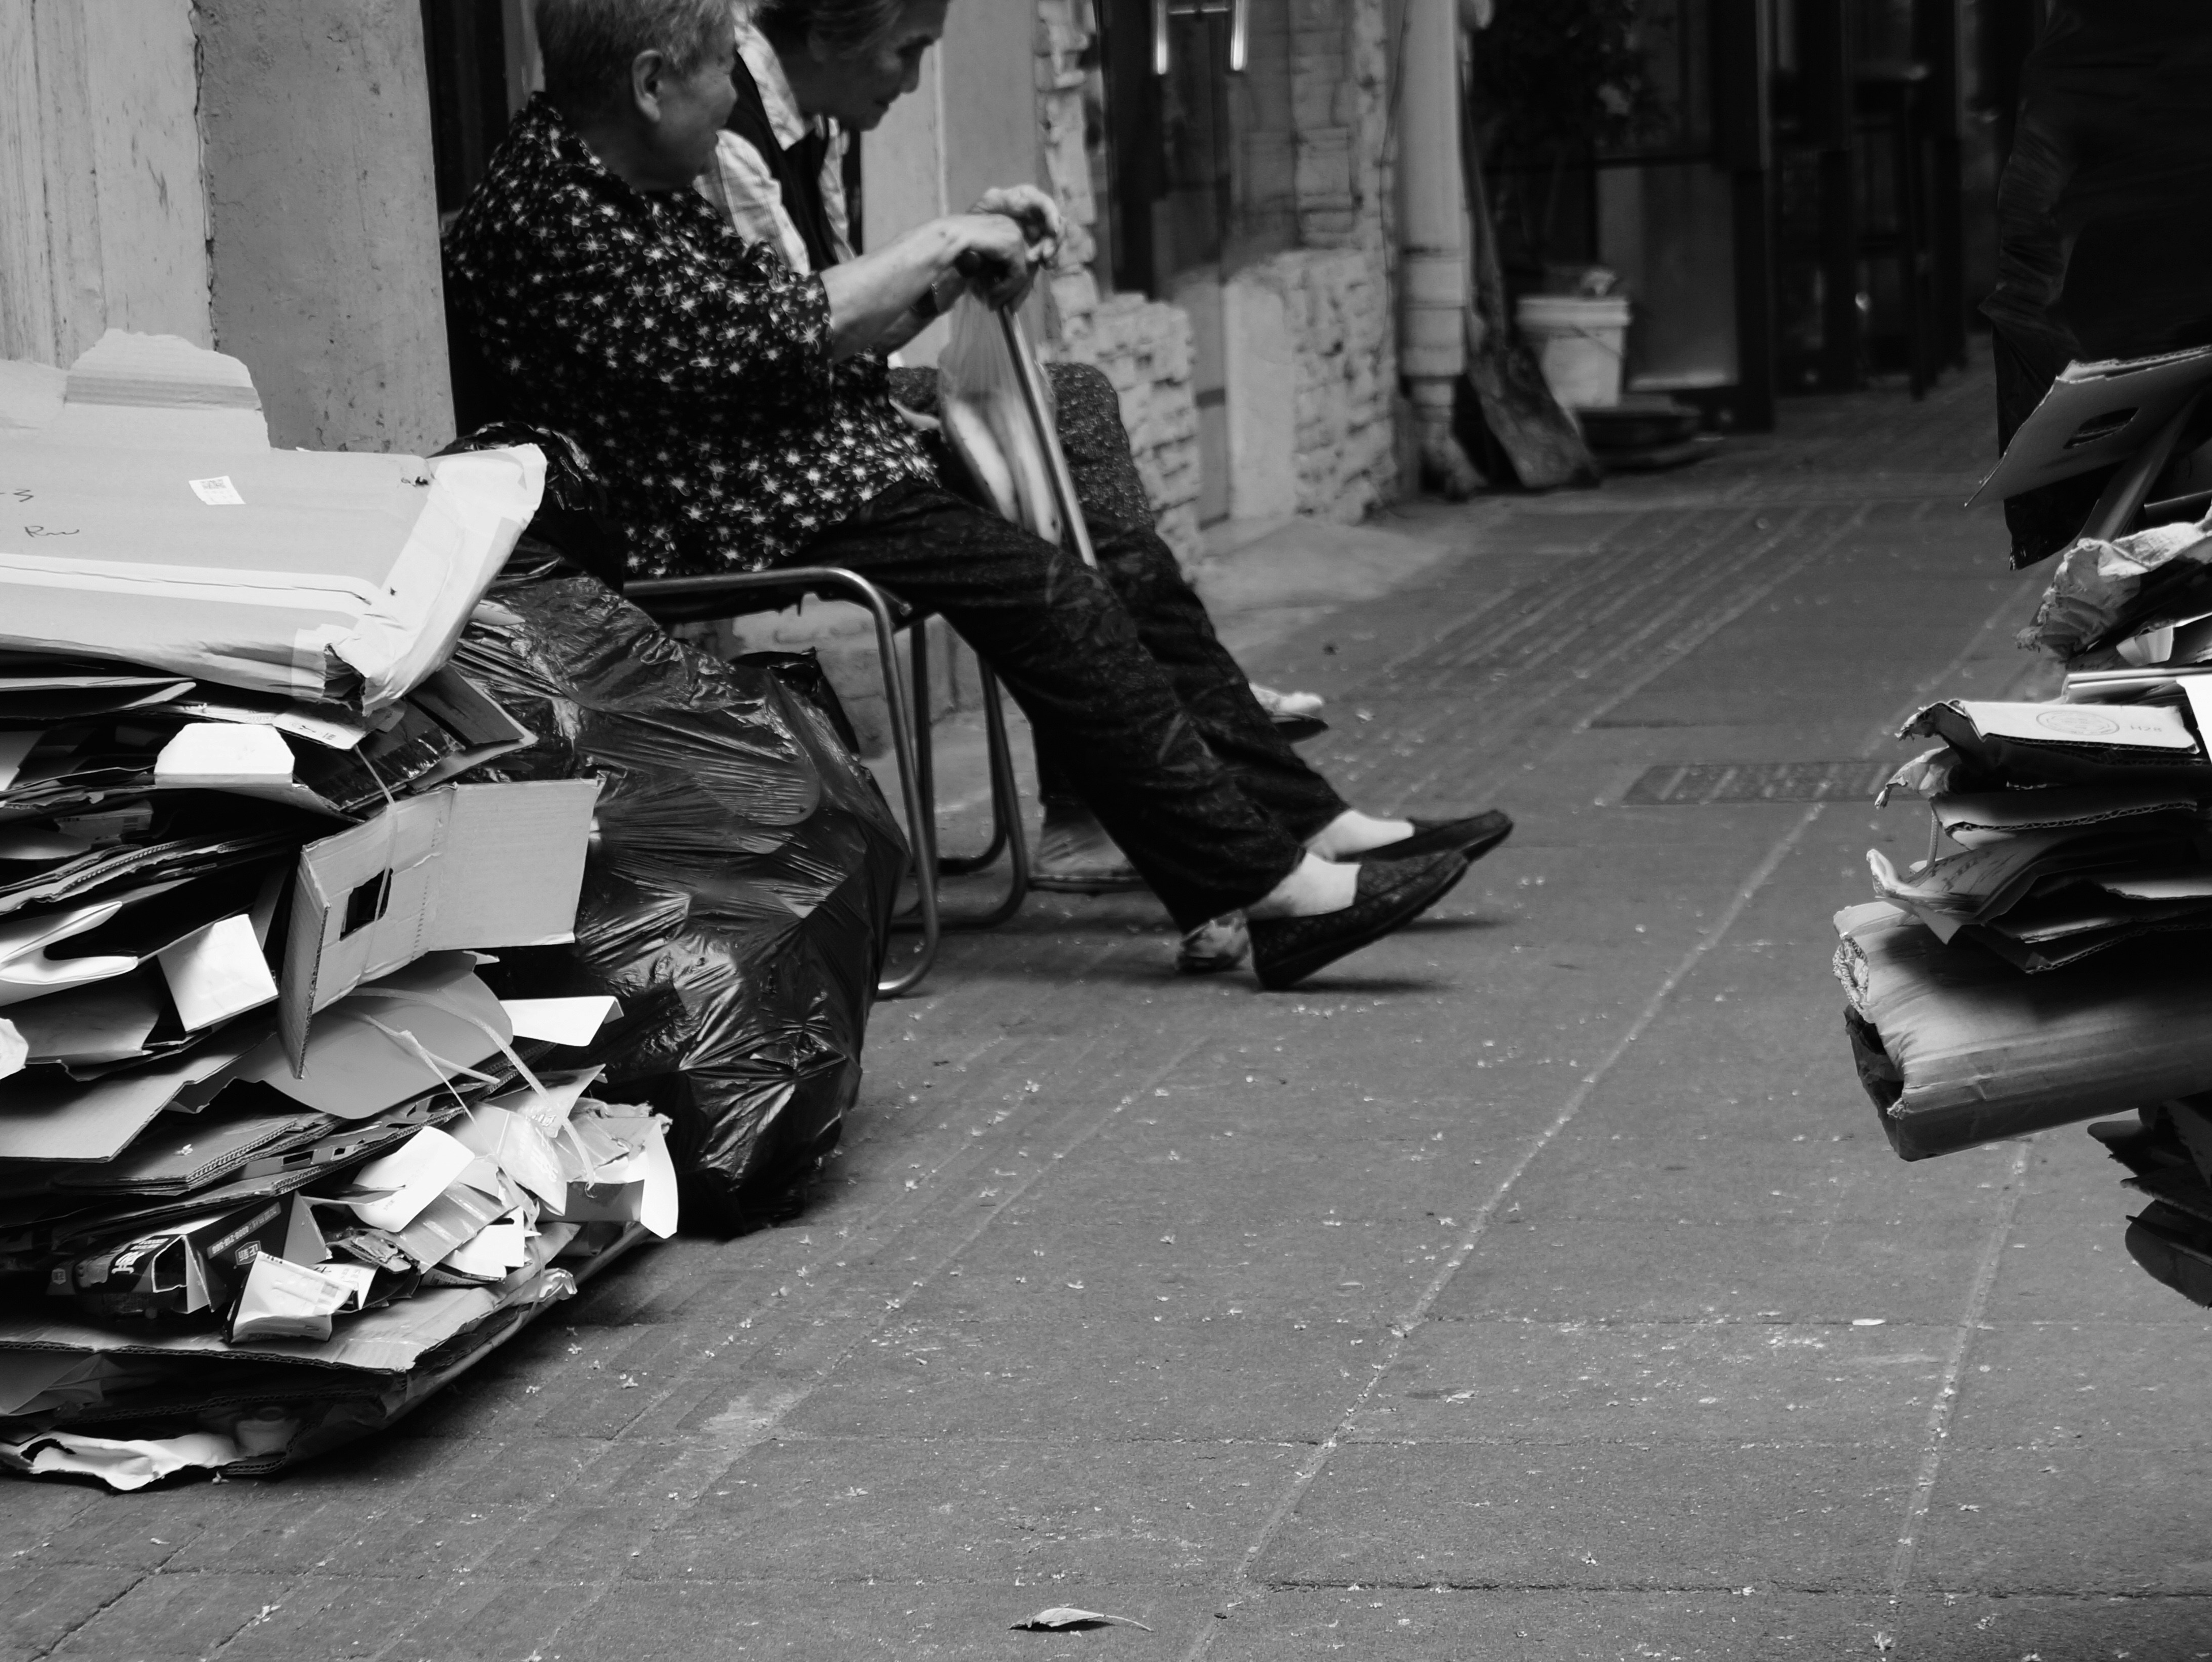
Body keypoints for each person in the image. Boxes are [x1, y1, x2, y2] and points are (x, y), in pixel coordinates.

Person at [440, 0, 1497, 988]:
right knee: (1054, 592)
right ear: (651, 81)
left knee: (1085, 538)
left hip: (764, 453)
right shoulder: (557, 212)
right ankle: (1264, 884)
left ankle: (1286, 826)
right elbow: (765, 343)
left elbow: (772, 332)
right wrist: (941, 249)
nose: (733, 99)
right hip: (716, 496)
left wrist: (948, 278)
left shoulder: (624, 176)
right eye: (722, 69)